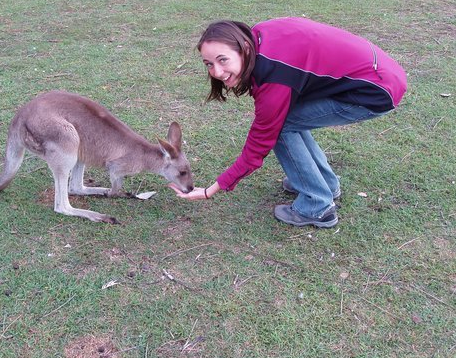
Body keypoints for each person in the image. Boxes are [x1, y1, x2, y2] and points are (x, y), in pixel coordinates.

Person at [170, 17, 407, 228]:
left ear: (243, 48)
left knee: (281, 126)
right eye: (209, 64)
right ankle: (324, 184)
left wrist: (212, 190)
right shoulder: (258, 35)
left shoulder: (275, 77)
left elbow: (258, 146)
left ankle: (318, 205)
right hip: (379, 73)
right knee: (286, 121)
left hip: (375, 90)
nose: (217, 72)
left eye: (223, 60)